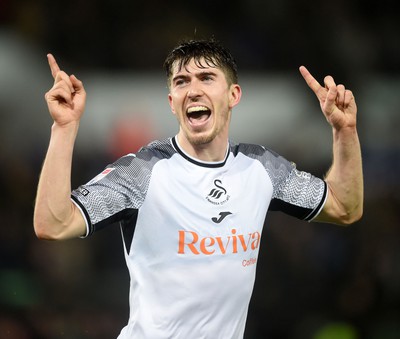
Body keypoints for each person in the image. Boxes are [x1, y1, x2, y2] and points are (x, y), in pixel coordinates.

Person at [33, 38, 363, 339]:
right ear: (172, 101)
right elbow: (53, 223)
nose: (193, 89)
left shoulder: (261, 168)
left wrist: (344, 132)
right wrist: (64, 128)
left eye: (206, 78)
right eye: (181, 81)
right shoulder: (142, 172)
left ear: (233, 95)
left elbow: (344, 208)